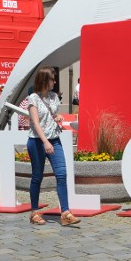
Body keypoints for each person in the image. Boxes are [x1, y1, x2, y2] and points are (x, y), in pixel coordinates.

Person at [25, 66, 80, 227]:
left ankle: (65, 213)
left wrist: (57, 117)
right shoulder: (33, 98)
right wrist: (45, 142)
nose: (54, 82)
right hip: (37, 141)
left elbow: (51, 114)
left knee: (62, 174)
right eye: (52, 79)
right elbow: (35, 122)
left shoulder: (54, 96)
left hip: (55, 139)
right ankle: (34, 212)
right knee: (37, 176)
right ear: (44, 79)